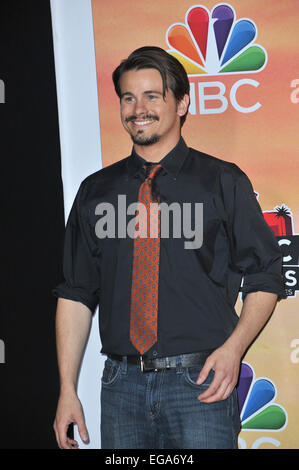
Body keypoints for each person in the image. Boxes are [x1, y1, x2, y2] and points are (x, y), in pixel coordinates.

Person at [52, 46, 285, 449]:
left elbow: (266, 274)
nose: (137, 108)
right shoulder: (95, 191)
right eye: (128, 97)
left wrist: (233, 350)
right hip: (119, 388)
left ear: (182, 103)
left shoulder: (221, 181)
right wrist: (67, 389)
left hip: (200, 385)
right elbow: (75, 293)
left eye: (152, 96)